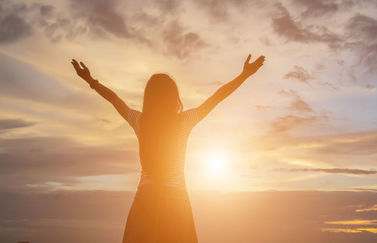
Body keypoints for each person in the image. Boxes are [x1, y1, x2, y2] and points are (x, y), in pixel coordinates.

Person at [71, 54, 265, 242]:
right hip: (176, 204)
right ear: (174, 97)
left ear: (148, 98)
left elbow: (115, 100)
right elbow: (217, 97)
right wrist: (244, 75)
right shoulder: (185, 121)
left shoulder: (140, 121)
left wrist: (90, 80)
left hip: (145, 202)